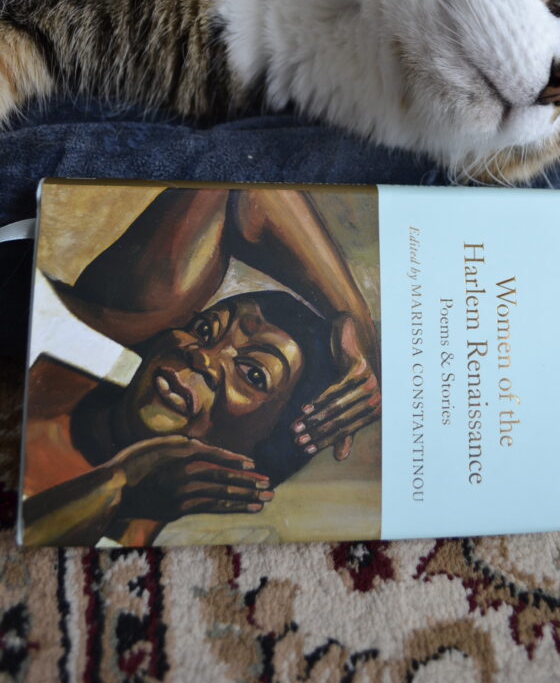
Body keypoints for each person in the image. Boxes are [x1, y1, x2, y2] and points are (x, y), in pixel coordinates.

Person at [22, 186, 380, 545]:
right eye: (205, 329)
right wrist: (353, 319)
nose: (203, 356)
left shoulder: (113, 559)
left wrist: (119, 487)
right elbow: (237, 187)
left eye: (252, 374)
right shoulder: (113, 325)